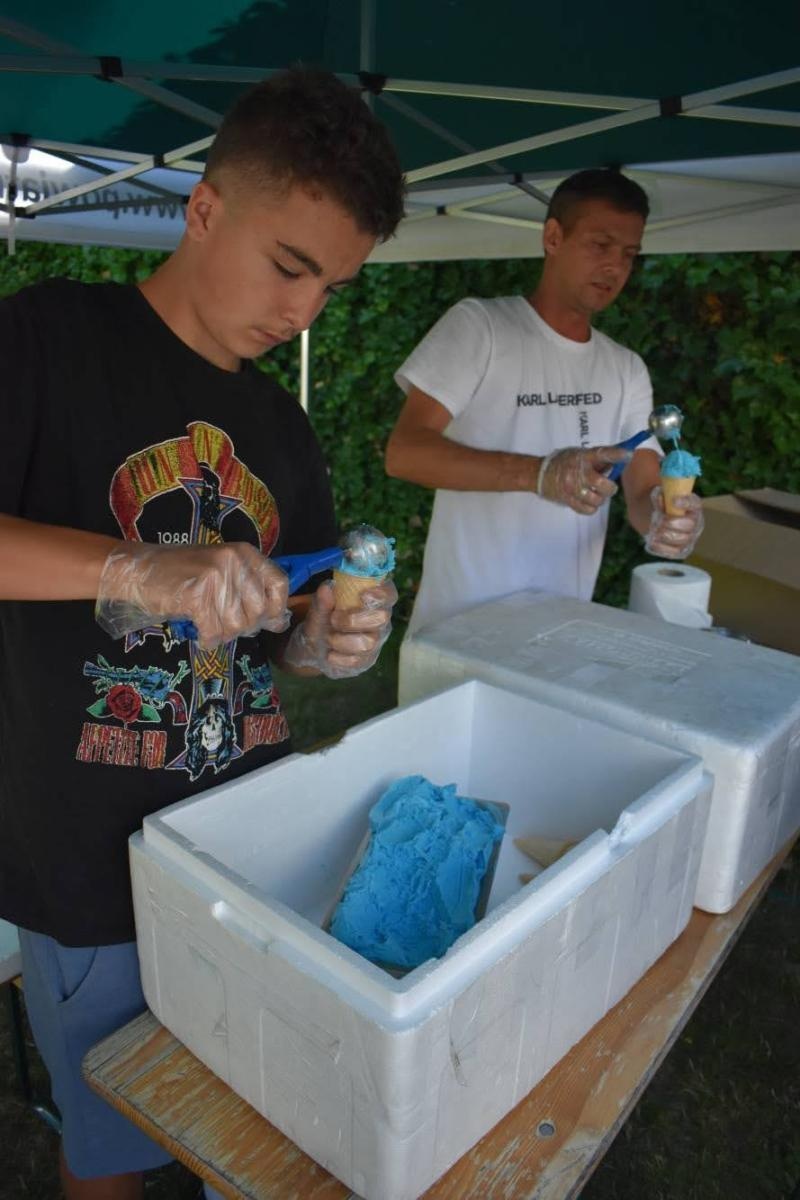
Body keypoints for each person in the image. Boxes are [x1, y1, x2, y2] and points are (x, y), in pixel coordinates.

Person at [0, 67, 405, 1200]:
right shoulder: (44, 340)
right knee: (111, 1143)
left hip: (252, 843)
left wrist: (321, 644)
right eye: (290, 266)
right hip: (90, 866)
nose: (303, 313)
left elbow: (281, 619)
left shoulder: (281, 423)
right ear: (206, 209)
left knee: (252, 1123)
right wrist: (131, 565)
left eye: (332, 286)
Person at [385, 168, 704, 636]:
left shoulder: (626, 367)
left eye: (629, 254)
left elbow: (640, 490)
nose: (615, 267)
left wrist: (664, 517)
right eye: (600, 245)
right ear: (553, 237)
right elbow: (405, 452)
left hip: (560, 632)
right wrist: (539, 473)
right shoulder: (481, 326)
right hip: (460, 629)